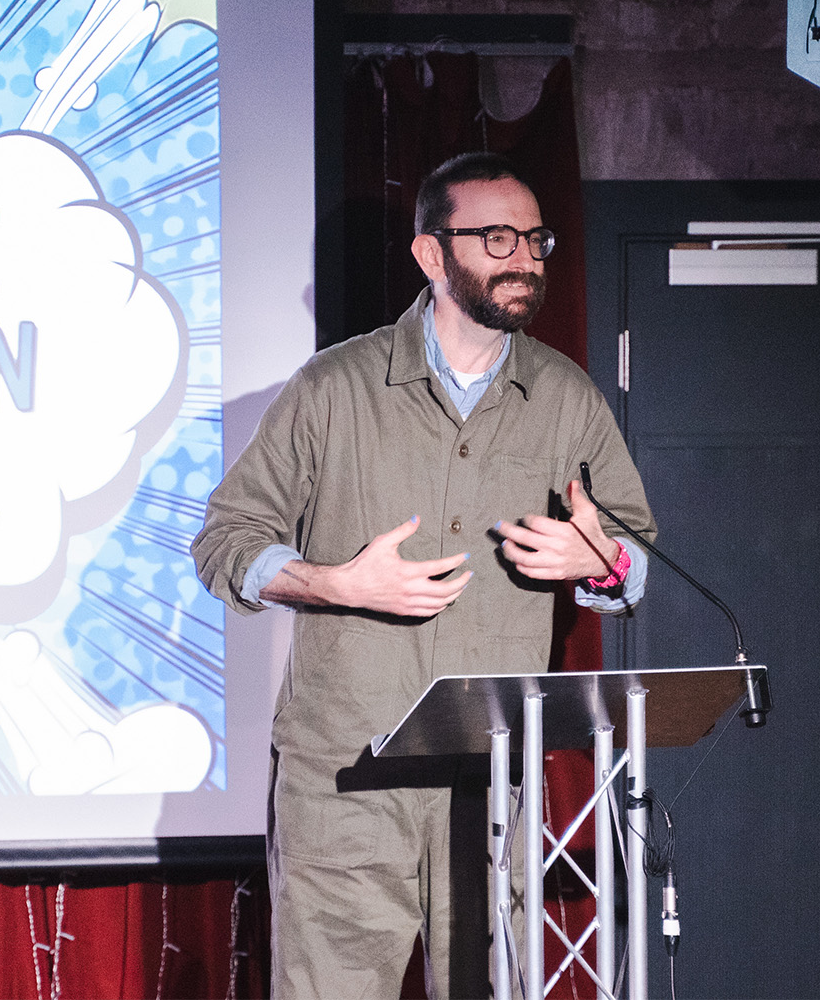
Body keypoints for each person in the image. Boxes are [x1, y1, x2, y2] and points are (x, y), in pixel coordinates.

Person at [191, 152, 656, 998]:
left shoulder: (565, 396)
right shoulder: (334, 387)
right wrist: (338, 583)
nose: (526, 257)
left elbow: (633, 563)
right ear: (432, 255)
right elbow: (225, 541)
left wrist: (604, 561)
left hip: (493, 775)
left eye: (536, 239)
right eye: (499, 237)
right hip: (346, 773)